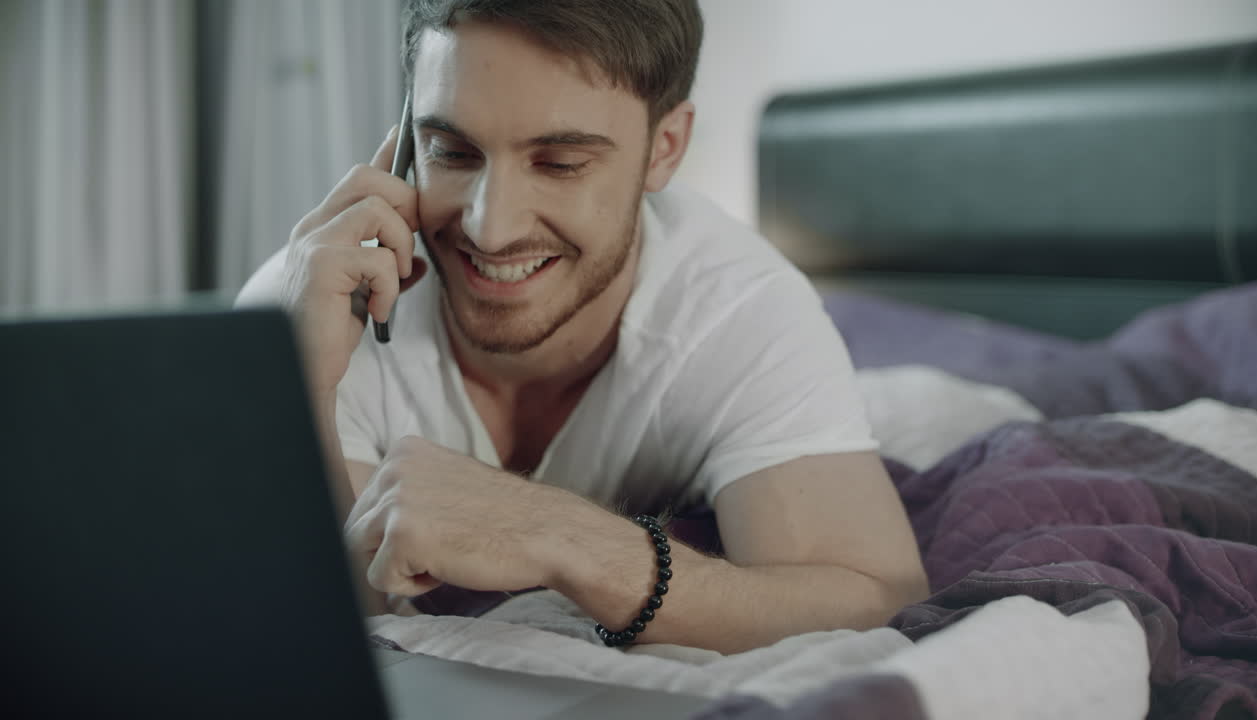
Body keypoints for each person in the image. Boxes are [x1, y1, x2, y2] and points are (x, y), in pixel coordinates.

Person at [237, 0, 927, 655]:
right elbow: (301, 631)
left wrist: (561, 535)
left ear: (666, 148)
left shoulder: (738, 308)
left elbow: (873, 602)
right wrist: (301, 389)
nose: (490, 225)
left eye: (559, 163)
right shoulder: (305, 313)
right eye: (451, 151)